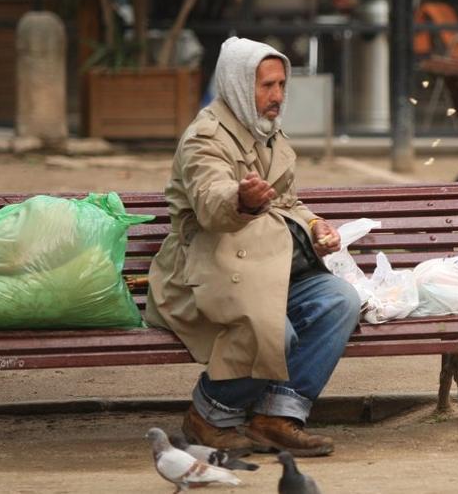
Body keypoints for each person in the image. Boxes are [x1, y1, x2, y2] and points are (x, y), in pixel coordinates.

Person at [145, 37, 360, 457]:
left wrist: (316, 225)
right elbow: (211, 203)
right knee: (273, 330)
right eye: (267, 86)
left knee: (340, 299)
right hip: (203, 273)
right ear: (239, 84)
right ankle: (209, 414)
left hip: (267, 269)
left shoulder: (268, 133)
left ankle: (275, 418)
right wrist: (241, 201)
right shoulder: (204, 137)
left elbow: (288, 201)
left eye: (282, 85)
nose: (277, 96)